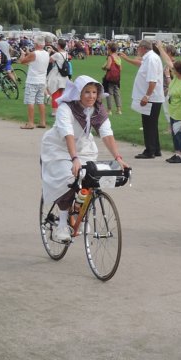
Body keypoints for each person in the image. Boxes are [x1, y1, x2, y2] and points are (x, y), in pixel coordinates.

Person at [40, 75, 129, 242]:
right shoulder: (66, 108)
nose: (91, 96)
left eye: (94, 92)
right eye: (87, 92)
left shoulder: (97, 109)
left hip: (83, 148)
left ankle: (79, 214)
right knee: (68, 178)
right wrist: (74, 158)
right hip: (58, 148)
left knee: (90, 178)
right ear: (78, 93)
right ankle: (62, 225)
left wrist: (118, 158)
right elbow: (68, 134)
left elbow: (107, 134)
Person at [121, 40, 164, 159]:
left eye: (138, 47)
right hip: (152, 97)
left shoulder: (151, 59)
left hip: (151, 97)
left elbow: (152, 80)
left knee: (148, 124)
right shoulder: (149, 58)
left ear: (143, 48)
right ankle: (155, 149)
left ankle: (150, 150)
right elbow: (140, 65)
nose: (137, 49)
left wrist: (147, 95)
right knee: (152, 124)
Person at [19, 36, 50, 129]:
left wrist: (23, 54)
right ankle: (43, 122)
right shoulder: (46, 53)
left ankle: (30, 123)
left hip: (32, 81)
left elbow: (22, 61)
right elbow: (35, 61)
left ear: (36, 44)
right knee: (40, 102)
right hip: (42, 80)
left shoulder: (34, 54)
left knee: (30, 101)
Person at [47, 39, 70, 116]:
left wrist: (49, 52)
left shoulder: (57, 55)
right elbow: (60, 55)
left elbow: (49, 60)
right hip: (64, 76)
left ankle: (54, 112)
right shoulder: (66, 53)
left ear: (59, 45)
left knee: (55, 94)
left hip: (56, 75)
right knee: (60, 94)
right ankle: (59, 110)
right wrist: (54, 51)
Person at [102, 42, 123, 115]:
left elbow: (108, 67)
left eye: (108, 49)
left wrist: (104, 68)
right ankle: (119, 109)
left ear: (110, 49)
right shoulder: (118, 57)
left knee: (109, 93)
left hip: (110, 78)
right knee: (117, 93)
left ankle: (109, 110)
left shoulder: (110, 57)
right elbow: (120, 68)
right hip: (117, 78)